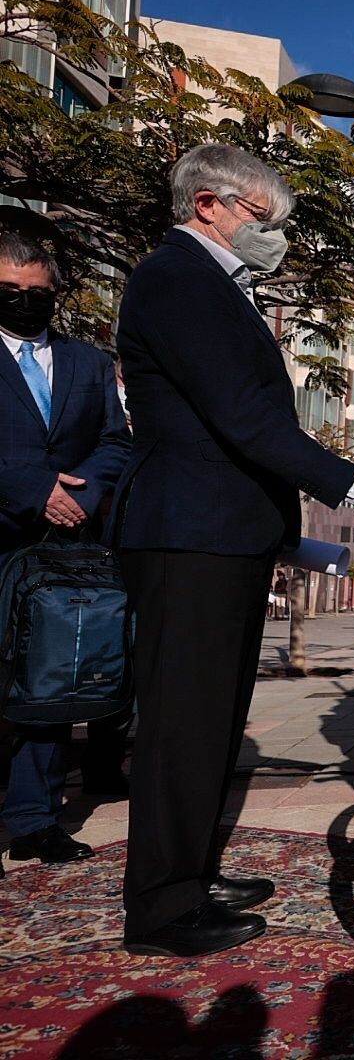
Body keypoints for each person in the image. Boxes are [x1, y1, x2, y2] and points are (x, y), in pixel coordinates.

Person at [111, 144, 354, 956]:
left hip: (224, 535)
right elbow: (246, 421)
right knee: (183, 722)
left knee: (212, 718)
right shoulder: (175, 277)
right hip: (189, 534)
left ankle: (189, 870)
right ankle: (163, 905)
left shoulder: (218, 286)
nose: (274, 236)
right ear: (207, 204)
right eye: (263, 219)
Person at [0, 230, 131, 879]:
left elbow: (114, 439)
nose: (24, 302)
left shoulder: (85, 361)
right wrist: (35, 489)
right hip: (6, 525)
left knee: (48, 681)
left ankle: (34, 819)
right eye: (9, 293)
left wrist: (86, 492)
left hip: (61, 549)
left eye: (36, 294)